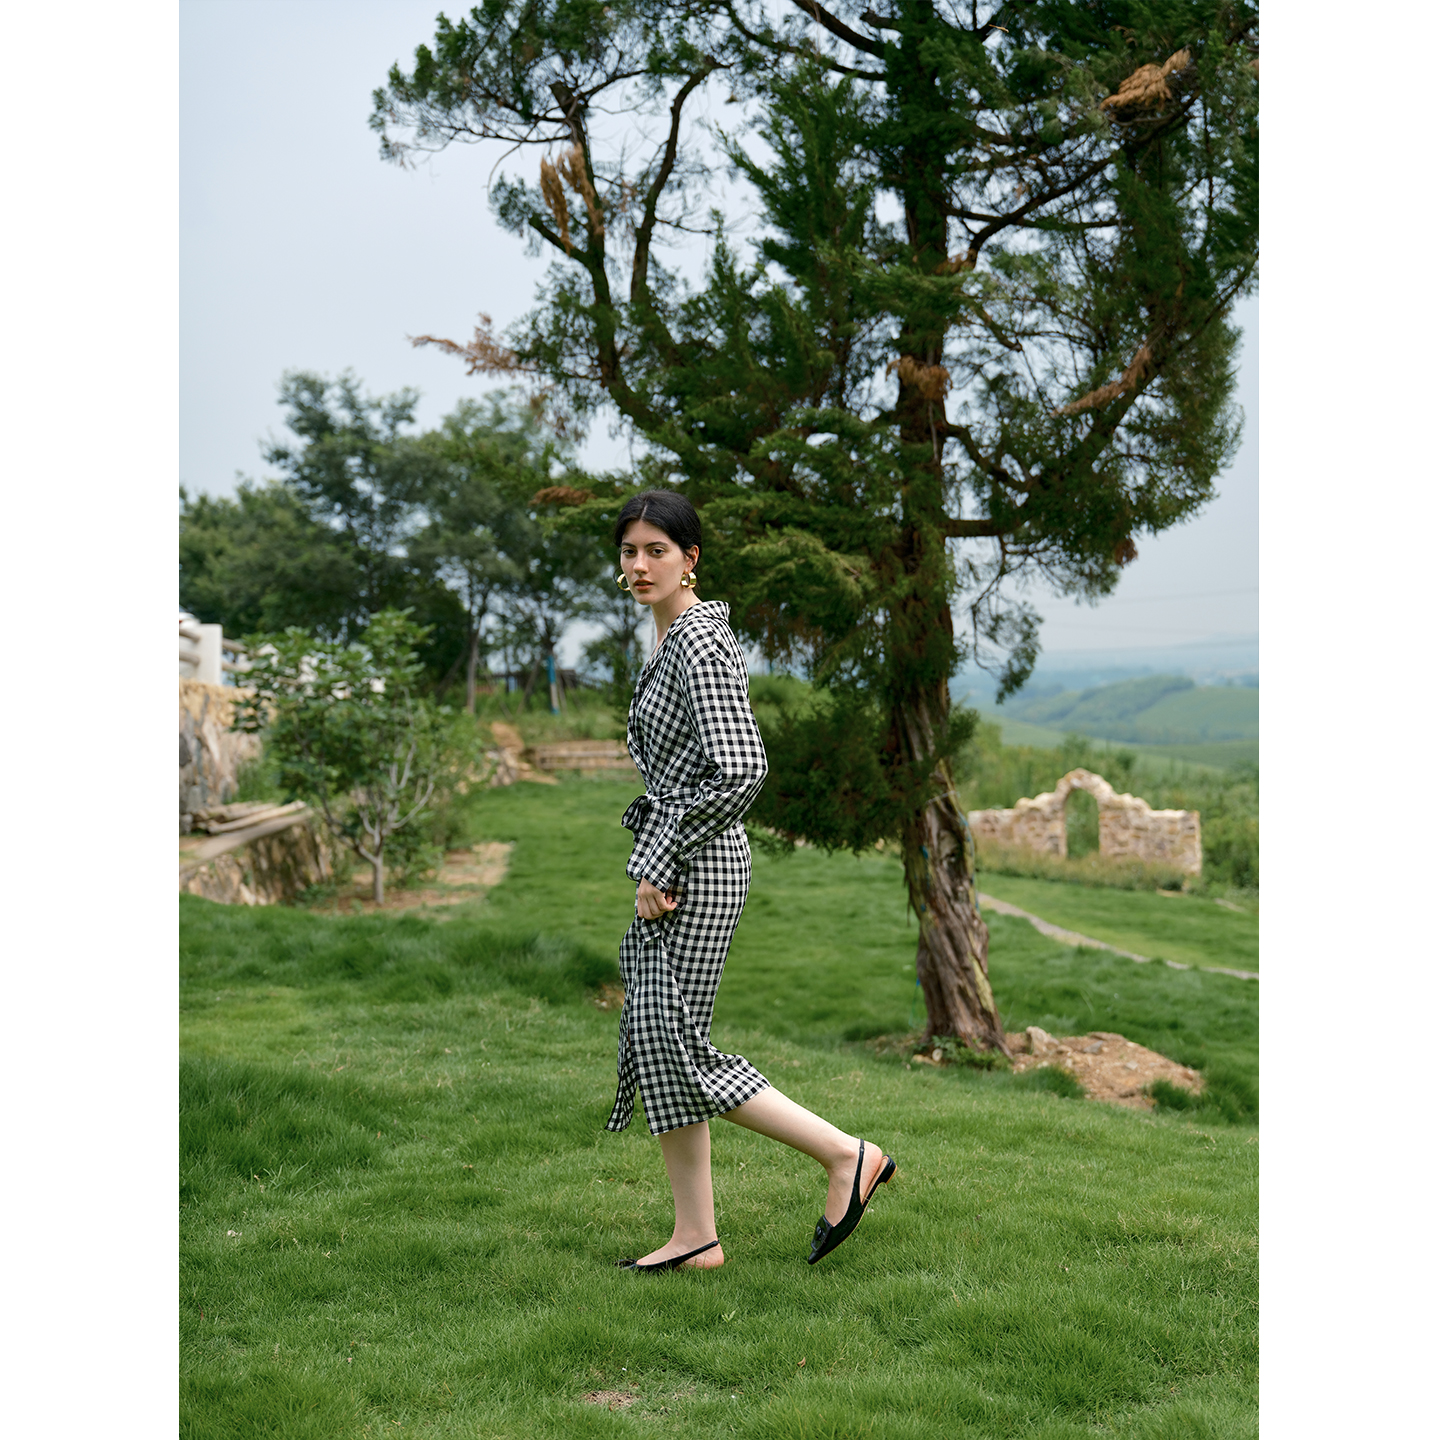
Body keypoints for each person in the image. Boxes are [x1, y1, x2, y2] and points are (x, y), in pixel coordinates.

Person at [606, 489, 895, 1272]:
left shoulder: (699, 640)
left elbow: (741, 769)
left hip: (696, 865)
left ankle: (847, 1156)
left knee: (678, 1046)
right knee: (659, 1042)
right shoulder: (669, 637)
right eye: (630, 551)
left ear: (690, 558)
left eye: (657, 551)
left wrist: (661, 858)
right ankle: (695, 1237)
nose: (640, 565)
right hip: (681, 856)